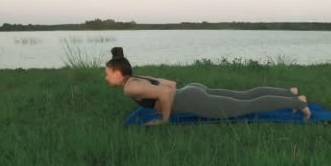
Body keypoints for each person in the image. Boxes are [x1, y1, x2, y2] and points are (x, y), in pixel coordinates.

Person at [104, 47, 311, 125]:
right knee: (246, 95)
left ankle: (296, 101)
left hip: (192, 99)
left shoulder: (129, 88)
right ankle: (288, 92)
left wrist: (165, 120)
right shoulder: (139, 77)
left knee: (247, 106)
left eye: (107, 74)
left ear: (117, 73)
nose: (106, 78)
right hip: (192, 90)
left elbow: (165, 94)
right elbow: (171, 84)